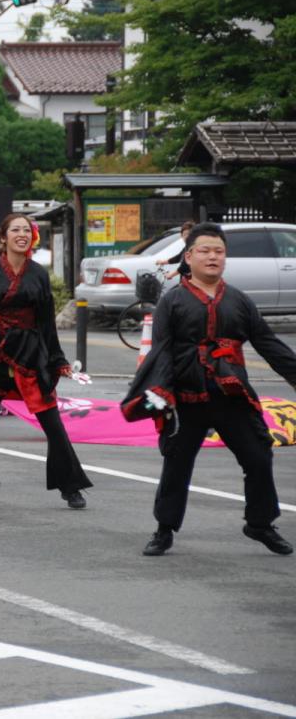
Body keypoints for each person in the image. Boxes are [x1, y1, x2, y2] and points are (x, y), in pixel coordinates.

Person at [123, 222, 295, 557]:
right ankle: (164, 528)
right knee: (177, 463)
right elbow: (161, 353)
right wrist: (162, 397)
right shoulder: (172, 302)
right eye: (205, 250)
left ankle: (260, 523)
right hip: (186, 397)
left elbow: (269, 345)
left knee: (259, 457)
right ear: (188, 256)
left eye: (219, 251)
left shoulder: (240, 302)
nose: (213, 256)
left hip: (231, 394)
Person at [0, 214, 93, 512]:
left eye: (27, 230)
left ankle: (71, 487)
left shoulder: (38, 274)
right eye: (15, 229)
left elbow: (46, 323)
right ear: (3, 237)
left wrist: (57, 359)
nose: (22, 234)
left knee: (53, 426)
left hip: (29, 354)